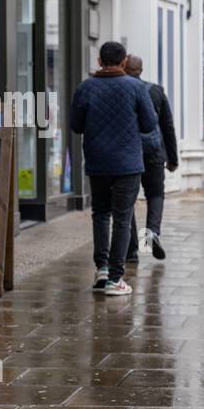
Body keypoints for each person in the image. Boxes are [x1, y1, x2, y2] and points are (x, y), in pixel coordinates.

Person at [68, 40, 158, 297]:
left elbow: (76, 125)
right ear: (124, 62)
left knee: (100, 214)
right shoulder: (136, 87)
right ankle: (116, 278)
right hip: (128, 163)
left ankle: (102, 269)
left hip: (97, 161)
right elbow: (149, 124)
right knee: (122, 217)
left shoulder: (86, 87)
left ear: (99, 61)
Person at [122, 55, 178, 262]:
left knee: (127, 198)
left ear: (124, 67)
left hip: (128, 152)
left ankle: (131, 249)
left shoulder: (121, 90)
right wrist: (172, 158)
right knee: (155, 194)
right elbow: (167, 126)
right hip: (154, 152)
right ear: (141, 70)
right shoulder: (156, 91)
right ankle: (151, 234)